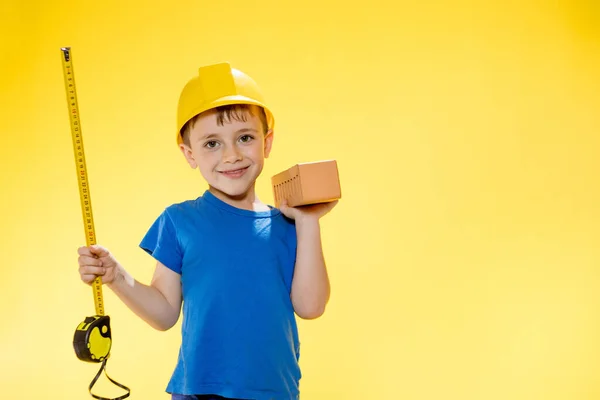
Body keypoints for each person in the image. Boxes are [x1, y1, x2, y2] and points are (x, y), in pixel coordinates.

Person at [77, 62, 338, 400]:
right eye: (212, 144)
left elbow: (311, 306)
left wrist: (308, 221)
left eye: (245, 138)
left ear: (267, 143)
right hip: (198, 392)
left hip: (274, 391)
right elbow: (164, 313)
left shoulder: (289, 225)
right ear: (189, 154)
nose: (232, 155)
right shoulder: (179, 221)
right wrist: (115, 276)